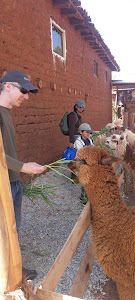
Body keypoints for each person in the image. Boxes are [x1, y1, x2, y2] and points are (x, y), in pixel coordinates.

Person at [0, 70, 46, 280]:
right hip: (3, 184)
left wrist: (19, 171)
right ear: (8, 86)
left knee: (13, 229)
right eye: (24, 90)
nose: (26, 97)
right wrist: (23, 167)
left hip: (13, 182)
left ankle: (14, 270)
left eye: (28, 92)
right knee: (4, 233)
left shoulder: (6, 113)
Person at [74, 123, 94, 205]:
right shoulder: (78, 142)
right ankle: (84, 199)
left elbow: (93, 149)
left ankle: (89, 196)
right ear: (81, 132)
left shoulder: (90, 140)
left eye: (89, 132)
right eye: (86, 132)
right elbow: (82, 153)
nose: (88, 134)